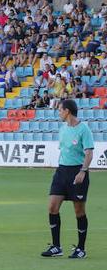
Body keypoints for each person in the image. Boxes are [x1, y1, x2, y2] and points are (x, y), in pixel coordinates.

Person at [41, 100, 94, 259]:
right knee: (52, 207)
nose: (58, 113)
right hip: (61, 171)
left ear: (67, 111)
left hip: (77, 172)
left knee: (79, 211)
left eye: (60, 110)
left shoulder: (84, 129)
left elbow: (89, 153)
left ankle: (81, 248)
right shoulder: (63, 129)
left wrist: (82, 171)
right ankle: (56, 247)